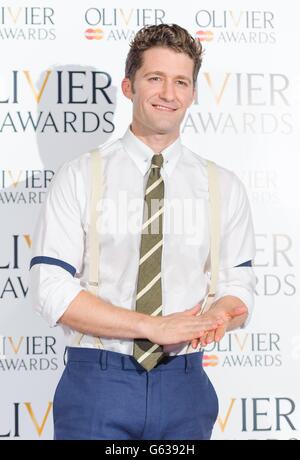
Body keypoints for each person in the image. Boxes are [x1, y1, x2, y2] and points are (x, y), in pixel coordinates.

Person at [29, 24, 256, 440]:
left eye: (181, 82)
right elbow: (49, 289)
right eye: (155, 78)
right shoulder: (79, 176)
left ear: (192, 94)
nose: (168, 93)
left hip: (185, 385)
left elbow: (238, 286)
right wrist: (150, 327)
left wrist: (220, 314)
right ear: (129, 86)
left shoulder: (223, 185)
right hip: (97, 383)